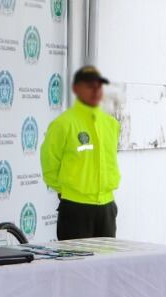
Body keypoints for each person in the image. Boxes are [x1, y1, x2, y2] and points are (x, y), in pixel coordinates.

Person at [41, 65, 120, 239]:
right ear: (76, 89)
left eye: (99, 86)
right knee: (76, 265)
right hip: (76, 209)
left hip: (107, 208)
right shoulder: (63, 124)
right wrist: (69, 190)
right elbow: (49, 164)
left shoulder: (111, 124)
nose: (95, 90)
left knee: (106, 264)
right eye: (89, 86)